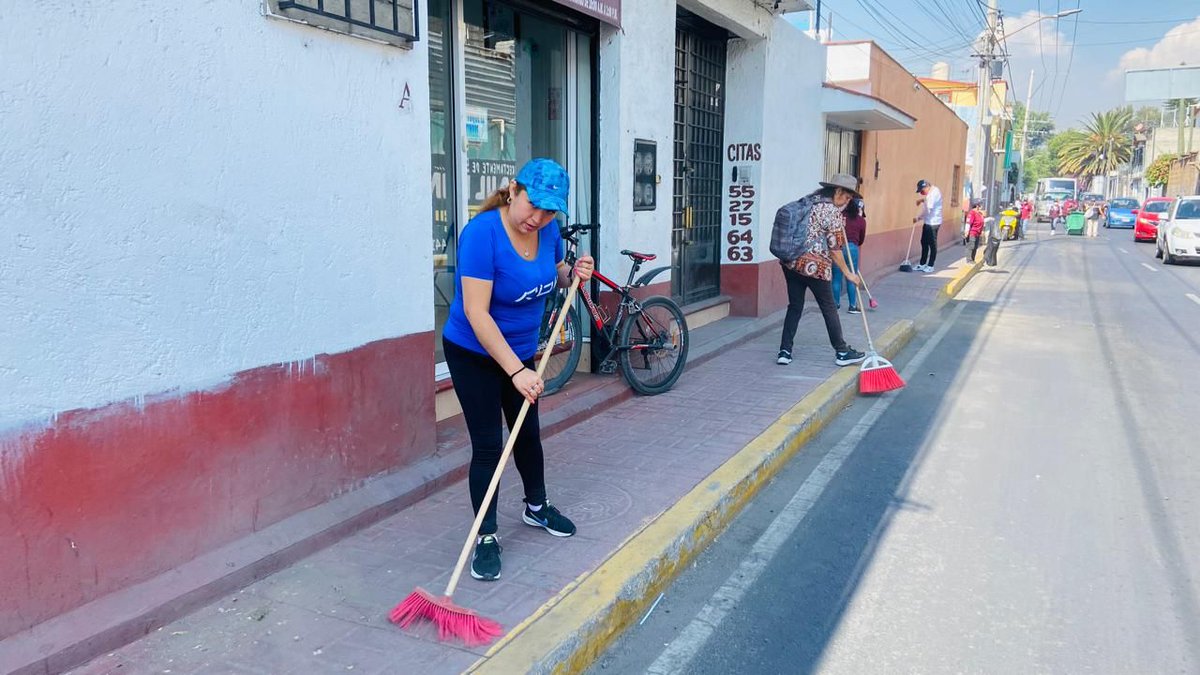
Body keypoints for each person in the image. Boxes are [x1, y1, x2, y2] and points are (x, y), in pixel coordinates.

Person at [442, 158, 595, 582]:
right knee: (490, 445)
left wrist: (572, 273)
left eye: (549, 211)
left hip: (522, 353)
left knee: (526, 433)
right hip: (475, 353)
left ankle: (536, 507)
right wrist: (514, 371)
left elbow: (552, 275)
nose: (539, 218)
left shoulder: (546, 233)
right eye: (533, 205)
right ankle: (486, 535)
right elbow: (477, 312)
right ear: (513, 190)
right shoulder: (481, 235)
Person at [775, 173, 867, 368]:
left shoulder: (808, 201)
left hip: (791, 263)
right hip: (816, 267)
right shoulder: (831, 211)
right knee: (829, 308)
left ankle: (785, 351)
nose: (848, 201)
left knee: (795, 306)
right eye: (847, 196)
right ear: (838, 191)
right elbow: (835, 250)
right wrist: (849, 274)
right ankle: (842, 351)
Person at [832, 197, 867, 314]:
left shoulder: (840, 216)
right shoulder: (861, 221)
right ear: (860, 209)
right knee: (851, 277)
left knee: (836, 277)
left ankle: (835, 305)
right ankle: (852, 306)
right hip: (852, 248)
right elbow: (861, 240)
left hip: (838, 247)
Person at [913, 179, 943, 273]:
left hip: (933, 223)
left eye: (922, 191)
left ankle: (930, 265)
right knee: (924, 242)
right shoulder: (931, 193)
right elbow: (927, 201)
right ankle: (922, 264)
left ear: (926, 187)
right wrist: (922, 200)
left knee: (932, 244)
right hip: (928, 222)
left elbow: (928, 210)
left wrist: (918, 217)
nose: (922, 193)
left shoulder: (933, 194)